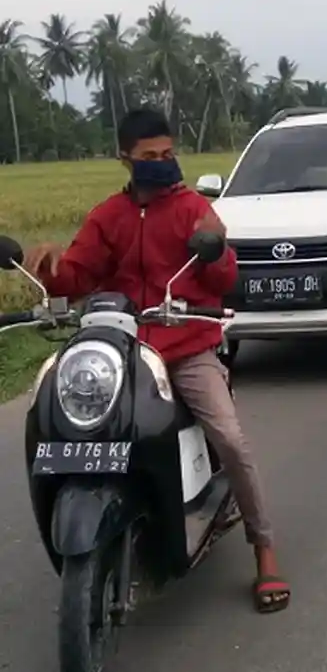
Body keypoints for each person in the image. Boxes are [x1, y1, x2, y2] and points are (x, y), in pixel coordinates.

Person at [21, 108, 289, 613]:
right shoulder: (108, 217)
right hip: (121, 347)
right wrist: (54, 268)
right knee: (69, 416)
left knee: (229, 437)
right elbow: (78, 276)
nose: (163, 164)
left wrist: (215, 251)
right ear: (124, 159)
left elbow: (223, 282)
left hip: (185, 348)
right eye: (150, 157)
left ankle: (265, 547)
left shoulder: (193, 210)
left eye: (168, 155)